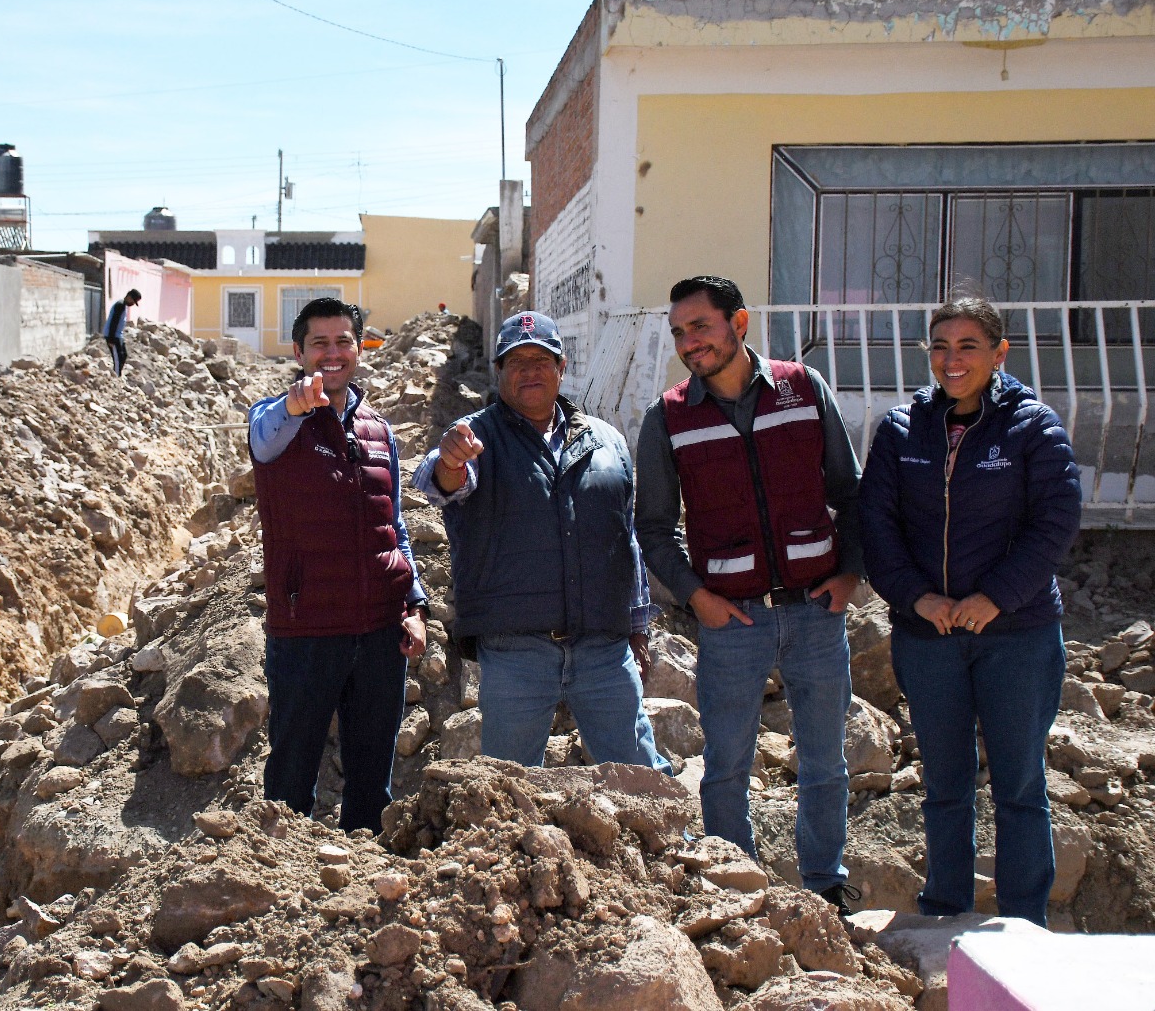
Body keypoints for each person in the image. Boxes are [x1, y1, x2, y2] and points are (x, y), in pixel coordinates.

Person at [635, 275, 862, 910]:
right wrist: (696, 597)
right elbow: (652, 528)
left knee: (825, 761)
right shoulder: (669, 417)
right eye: (678, 333)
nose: (689, 343)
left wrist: (850, 573)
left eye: (700, 327)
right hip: (731, 623)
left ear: (739, 323)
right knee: (728, 763)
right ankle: (734, 887)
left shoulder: (803, 389)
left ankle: (825, 884)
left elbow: (851, 493)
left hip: (817, 612)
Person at [860, 293, 1080, 927]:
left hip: (1016, 634)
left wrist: (995, 599)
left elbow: (1055, 521)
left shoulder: (1032, 427)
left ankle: (1023, 921)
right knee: (945, 783)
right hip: (928, 635)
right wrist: (917, 597)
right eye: (940, 346)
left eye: (967, 346)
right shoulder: (902, 430)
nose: (951, 360)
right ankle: (945, 910)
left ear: (999, 352)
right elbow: (877, 526)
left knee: (1019, 784)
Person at [414, 310, 670, 773]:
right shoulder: (475, 437)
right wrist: (450, 460)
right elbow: (440, 482)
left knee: (640, 775)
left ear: (562, 367)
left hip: (603, 649)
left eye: (541, 360)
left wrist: (637, 627)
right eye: (517, 362)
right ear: (499, 371)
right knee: (507, 786)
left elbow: (626, 541)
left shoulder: (606, 441)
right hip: (516, 653)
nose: (530, 371)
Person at [249, 296, 429, 833]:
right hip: (307, 631)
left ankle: (363, 873)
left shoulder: (379, 430)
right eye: (319, 343)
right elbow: (263, 441)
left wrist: (414, 604)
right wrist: (294, 407)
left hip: (379, 632)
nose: (332, 353)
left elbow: (394, 524)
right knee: (290, 780)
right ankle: (280, 873)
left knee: (373, 784)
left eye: (343, 341)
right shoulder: (275, 420)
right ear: (299, 352)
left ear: (358, 349)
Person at [103, 289, 141, 376]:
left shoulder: (123, 305)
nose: (132, 304)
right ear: (129, 297)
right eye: (133, 301)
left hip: (118, 335)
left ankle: (117, 373)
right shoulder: (120, 305)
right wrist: (111, 339)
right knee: (118, 359)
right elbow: (114, 322)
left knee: (123, 356)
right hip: (113, 336)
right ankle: (116, 377)